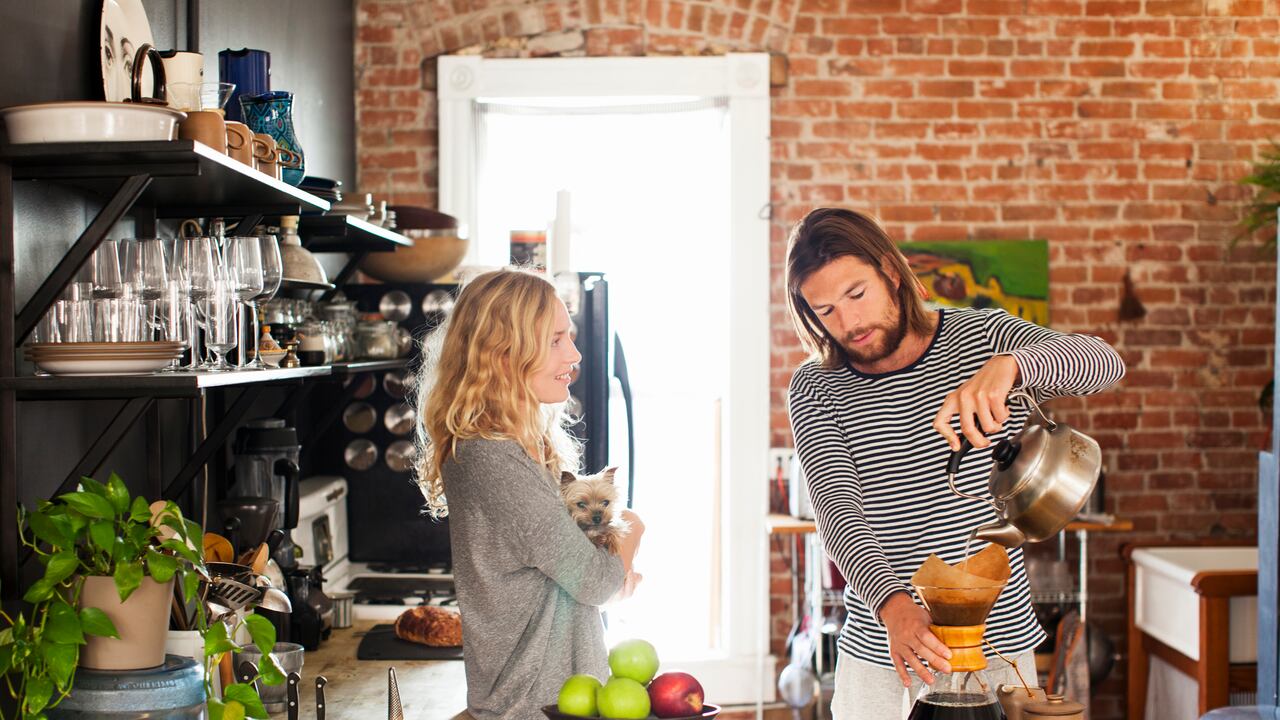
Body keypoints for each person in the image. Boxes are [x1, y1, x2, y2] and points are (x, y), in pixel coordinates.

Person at [784, 208, 1125, 719]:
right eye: (826, 310)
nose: (848, 323)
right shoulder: (816, 387)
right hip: (884, 651)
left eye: (857, 294)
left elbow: (1105, 363)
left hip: (998, 647)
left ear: (890, 273)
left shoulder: (984, 337)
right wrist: (895, 609)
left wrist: (1012, 366)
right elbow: (838, 514)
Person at [416, 268, 645, 720]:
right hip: (532, 706)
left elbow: (580, 573)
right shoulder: (493, 459)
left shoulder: (516, 447)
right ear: (503, 353)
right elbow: (597, 582)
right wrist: (633, 529)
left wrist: (608, 561)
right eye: (556, 340)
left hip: (556, 698)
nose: (575, 354)